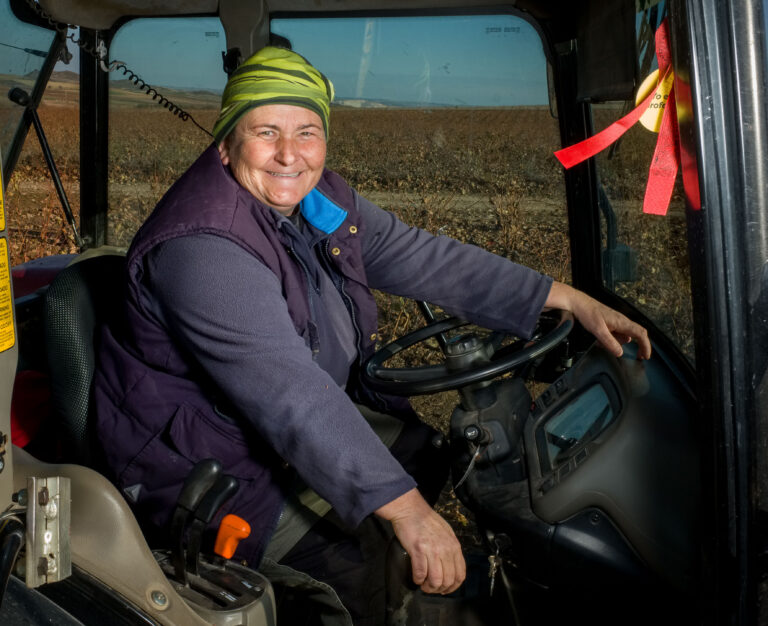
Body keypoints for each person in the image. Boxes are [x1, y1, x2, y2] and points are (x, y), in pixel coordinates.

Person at [93, 46, 651, 625]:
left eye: (307, 131)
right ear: (226, 142)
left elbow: (422, 257)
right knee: (362, 571)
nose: (290, 154)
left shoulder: (317, 202)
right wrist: (408, 515)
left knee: (427, 455)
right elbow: (293, 397)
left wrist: (565, 298)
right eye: (266, 131)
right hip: (204, 467)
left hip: (262, 428)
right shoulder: (203, 251)